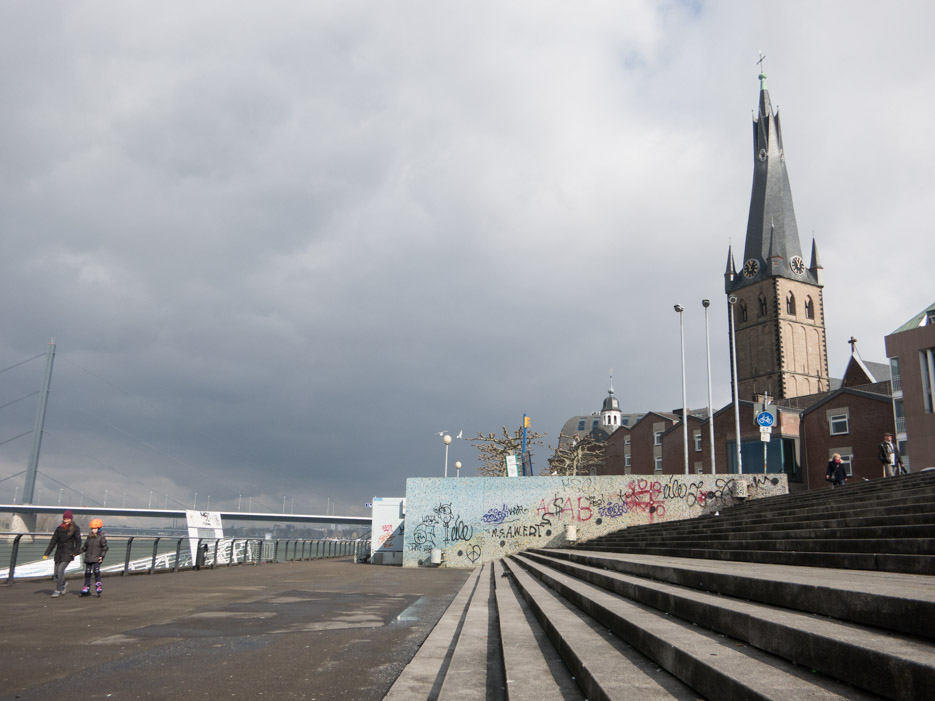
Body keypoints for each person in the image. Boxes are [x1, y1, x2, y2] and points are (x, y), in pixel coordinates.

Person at [42, 509, 82, 597]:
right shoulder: (59, 528)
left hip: (68, 553)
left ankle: (57, 590)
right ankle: (63, 583)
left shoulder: (75, 528)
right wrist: (47, 553)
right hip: (59, 553)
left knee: (60, 570)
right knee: (56, 573)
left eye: (68, 519)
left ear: (71, 519)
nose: (66, 520)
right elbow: (53, 541)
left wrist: (75, 552)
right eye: (65, 519)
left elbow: (78, 542)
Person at [79, 518, 108, 597]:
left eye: (95, 528)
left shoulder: (101, 537)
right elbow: (85, 547)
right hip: (88, 558)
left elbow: (104, 548)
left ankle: (98, 585)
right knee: (87, 572)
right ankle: (86, 587)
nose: (93, 530)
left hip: (96, 558)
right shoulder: (89, 537)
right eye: (92, 528)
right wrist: (77, 552)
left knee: (96, 571)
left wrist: (101, 557)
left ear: (99, 529)